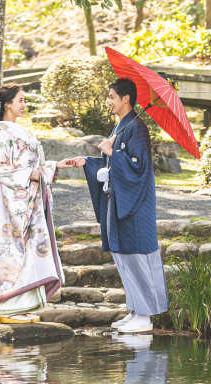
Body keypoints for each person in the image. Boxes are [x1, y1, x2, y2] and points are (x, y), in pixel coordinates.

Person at [66, 78, 168, 334]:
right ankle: (135, 310)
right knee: (123, 256)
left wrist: (113, 153)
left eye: (112, 96)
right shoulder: (122, 126)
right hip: (118, 201)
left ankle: (145, 315)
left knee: (137, 257)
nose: (109, 101)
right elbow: (110, 164)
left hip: (135, 206)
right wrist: (88, 162)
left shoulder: (138, 128)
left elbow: (139, 167)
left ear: (126, 98)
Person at [0, 85, 78, 322]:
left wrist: (55, 166)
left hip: (29, 197)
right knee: (16, 250)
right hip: (15, 201)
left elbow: (31, 166)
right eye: (20, 100)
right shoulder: (2, 136)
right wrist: (32, 174)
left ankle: (22, 304)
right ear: (8, 104)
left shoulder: (16, 132)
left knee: (30, 251)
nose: (24, 104)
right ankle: (9, 306)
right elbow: (1, 169)